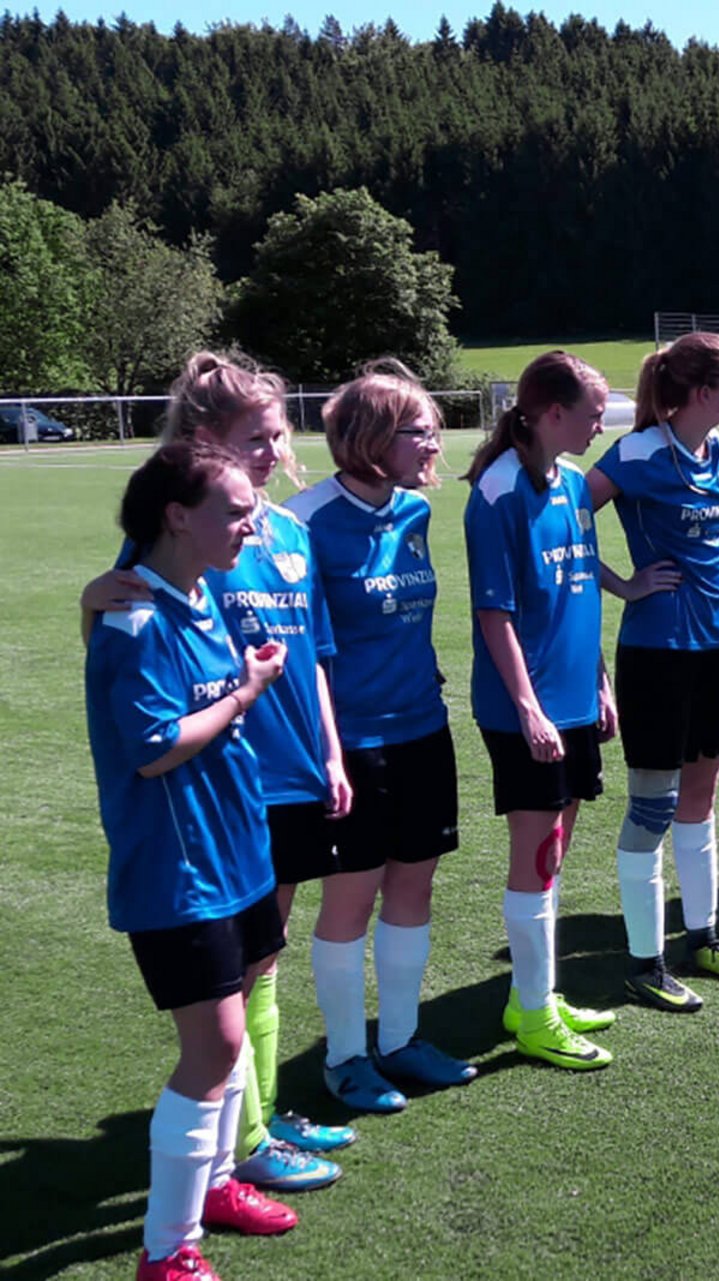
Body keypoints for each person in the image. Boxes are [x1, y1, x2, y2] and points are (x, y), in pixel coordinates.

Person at [80, 352, 355, 1193]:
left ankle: (259, 1113)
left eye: (278, 434)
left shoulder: (286, 532)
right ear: (204, 441)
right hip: (228, 781)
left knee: (262, 960)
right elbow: (122, 633)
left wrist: (332, 750)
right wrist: (88, 601)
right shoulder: (186, 528)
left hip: (289, 767)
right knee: (238, 975)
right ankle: (247, 1138)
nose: (273, 451)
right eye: (254, 437)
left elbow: (310, 656)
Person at [86, 439, 301, 1280]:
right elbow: (153, 746)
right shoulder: (134, 612)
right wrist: (247, 693)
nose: (252, 521)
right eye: (236, 508)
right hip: (180, 872)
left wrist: (243, 677)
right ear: (178, 515)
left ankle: (213, 1184)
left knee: (235, 1026)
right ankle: (165, 1248)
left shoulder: (199, 590)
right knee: (212, 1048)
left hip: (236, 849)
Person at [285, 362, 476, 1112]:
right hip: (351, 743)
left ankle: (398, 1040)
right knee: (350, 900)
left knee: (414, 884)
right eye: (419, 430)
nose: (434, 442)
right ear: (371, 438)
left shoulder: (411, 513)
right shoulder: (303, 522)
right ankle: (343, 1057)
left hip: (422, 728)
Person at [589, 331, 719, 1014]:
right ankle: (643, 960)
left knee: (701, 796)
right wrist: (623, 585)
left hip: (717, 647)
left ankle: (702, 937)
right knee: (652, 806)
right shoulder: (633, 454)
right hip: (658, 653)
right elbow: (560, 523)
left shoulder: (718, 450)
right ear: (701, 392)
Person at [465, 352, 620, 1070]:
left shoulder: (573, 488)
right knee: (533, 860)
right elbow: (494, 614)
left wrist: (600, 683)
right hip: (527, 710)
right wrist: (528, 708)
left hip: (573, 700)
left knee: (553, 856)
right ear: (553, 412)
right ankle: (532, 1017)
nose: (600, 423)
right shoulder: (497, 492)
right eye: (593, 412)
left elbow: (581, 591)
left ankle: (536, 994)